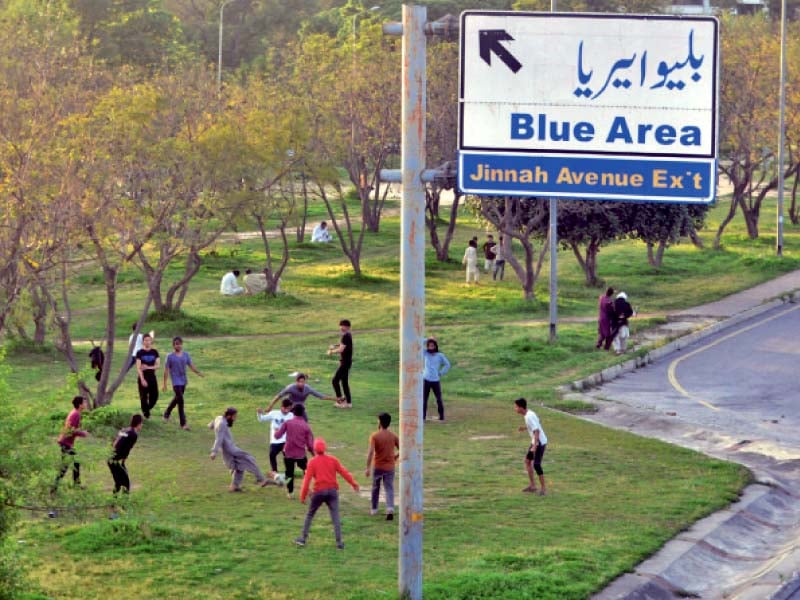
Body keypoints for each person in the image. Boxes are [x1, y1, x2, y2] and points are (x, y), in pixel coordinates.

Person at [295, 437, 360, 550]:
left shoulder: (312, 462)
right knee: (335, 517)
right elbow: (344, 472)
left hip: (319, 492)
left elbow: (307, 480)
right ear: (325, 448)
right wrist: (353, 484)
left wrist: (302, 496)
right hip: (332, 492)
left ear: (314, 449)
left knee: (310, 514)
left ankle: (303, 538)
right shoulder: (333, 460)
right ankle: (339, 543)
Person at [208, 407, 270, 492]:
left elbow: (212, 424)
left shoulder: (219, 418)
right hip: (231, 450)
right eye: (234, 416)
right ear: (229, 416)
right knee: (249, 459)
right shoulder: (222, 424)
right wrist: (214, 452)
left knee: (239, 466)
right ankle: (261, 479)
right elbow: (219, 438)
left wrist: (211, 426)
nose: (235, 418)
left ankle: (234, 486)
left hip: (229, 449)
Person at [162, 336, 203, 430]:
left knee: (177, 399)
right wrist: (164, 384)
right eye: (176, 344)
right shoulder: (170, 356)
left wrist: (199, 373)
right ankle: (183, 424)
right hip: (175, 382)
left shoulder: (186, 355)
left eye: (180, 344)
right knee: (181, 401)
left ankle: (166, 413)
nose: (178, 346)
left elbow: (191, 366)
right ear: (173, 345)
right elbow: (166, 371)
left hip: (183, 381)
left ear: (182, 344)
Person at [275, 404, 314, 498]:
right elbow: (309, 445)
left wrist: (276, 430)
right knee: (306, 471)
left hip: (288, 452)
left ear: (293, 412)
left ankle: (290, 493)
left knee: (289, 473)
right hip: (300, 454)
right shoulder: (306, 426)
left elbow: (277, 436)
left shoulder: (288, 423)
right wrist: (313, 453)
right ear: (303, 413)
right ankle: (307, 489)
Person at [365, 412, 399, 520]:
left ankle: (374, 509)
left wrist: (367, 467)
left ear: (379, 422)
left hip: (378, 466)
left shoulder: (375, 436)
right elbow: (403, 448)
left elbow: (371, 452)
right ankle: (390, 508)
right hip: (390, 467)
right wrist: (396, 456)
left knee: (376, 487)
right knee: (389, 487)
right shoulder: (393, 436)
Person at [51, 396, 89, 494]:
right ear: (80, 405)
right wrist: (83, 433)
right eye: (84, 402)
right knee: (65, 467)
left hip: (66, 442)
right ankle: (54, 488)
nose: (85, 404)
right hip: (65, 442)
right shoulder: (76, 414)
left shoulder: (74, 412)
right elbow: (71, 430)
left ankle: (76, 484)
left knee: (75, 462)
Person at [264, 372, 337, 421]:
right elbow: (278, 396)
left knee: (305, 424)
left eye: (303, 382)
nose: (301, 384)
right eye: (300, 382)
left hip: (300, 409)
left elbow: (321, 396)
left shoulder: (307, 388)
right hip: (290, 409)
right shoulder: (291, 388)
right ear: (296, 382)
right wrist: (270, 406)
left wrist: (335, 399)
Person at [514, 398, 548, 496]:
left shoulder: (529, 416)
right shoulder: (529, 413)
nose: (515, 409)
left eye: (516, 407)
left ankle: (543, 489)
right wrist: (525, 428)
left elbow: (537, 431)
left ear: (521, 407)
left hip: (539, 442)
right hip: (535, 441)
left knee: (537, 465)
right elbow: (538, 422)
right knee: (527, 461)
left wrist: (535, 446)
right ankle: (532, 486)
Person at [257, 398, 294, 476]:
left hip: (286, 440)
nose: (287, 411)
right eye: (286, 408)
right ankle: (275, 471)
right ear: (282, 407)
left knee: (287, 456)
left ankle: (289, 472)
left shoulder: (291, 416)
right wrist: (259, 413)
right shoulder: (274, 413)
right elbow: (261, 419)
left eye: (289, 409)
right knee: (272, 455)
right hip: (275, 441)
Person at [108, 414, 144, 495]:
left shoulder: (124, 430)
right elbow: (127, 448)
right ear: (138, 423)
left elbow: (115, 442)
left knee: (118, 482)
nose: (142, 425)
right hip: (114, 460)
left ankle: (114, 501)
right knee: (126, 483)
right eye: (141, 423)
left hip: (110, 458)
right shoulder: (133, 434)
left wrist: (122, 460)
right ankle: (124, 504)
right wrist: (123, 460)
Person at [422, 338, 451, 421]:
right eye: (429, 345)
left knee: (438, 399)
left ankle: (441, 417)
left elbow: (447, 364)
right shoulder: (425, 353)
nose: (431, 347)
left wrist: (441, 373)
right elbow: (418, 344)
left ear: (435, 346)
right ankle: (423, 417)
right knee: (424, 399)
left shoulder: (440, 355)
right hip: (426, 379)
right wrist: (428, 339)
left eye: (432, 345)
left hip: (435, 380)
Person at [328, 319, 353, 408]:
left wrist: (332, 351)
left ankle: (340, 401)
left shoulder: (346, 336)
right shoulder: (348, 335)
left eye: (342, 326)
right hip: (347, 362)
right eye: (340, 326)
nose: (341, 327)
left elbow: (341, 349)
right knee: (344, 382)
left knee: (335, 381)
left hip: (345, 363)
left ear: (347, 327)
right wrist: (335, 345)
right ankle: (348, 403)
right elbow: (342, 345)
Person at [136, 333, 160, 419]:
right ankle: (146, 415)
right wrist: (142, 379)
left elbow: (158, 365)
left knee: (155, 396)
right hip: (143, 377)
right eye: (145, 340)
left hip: (152, 377)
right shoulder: (139, 353)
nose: (147, 342)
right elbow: (138, 368)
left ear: (151, 341)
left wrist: (148, 367)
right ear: (143, 342)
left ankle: (146, 410)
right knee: (143, 397)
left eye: (149, 340)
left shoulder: (155, 352)